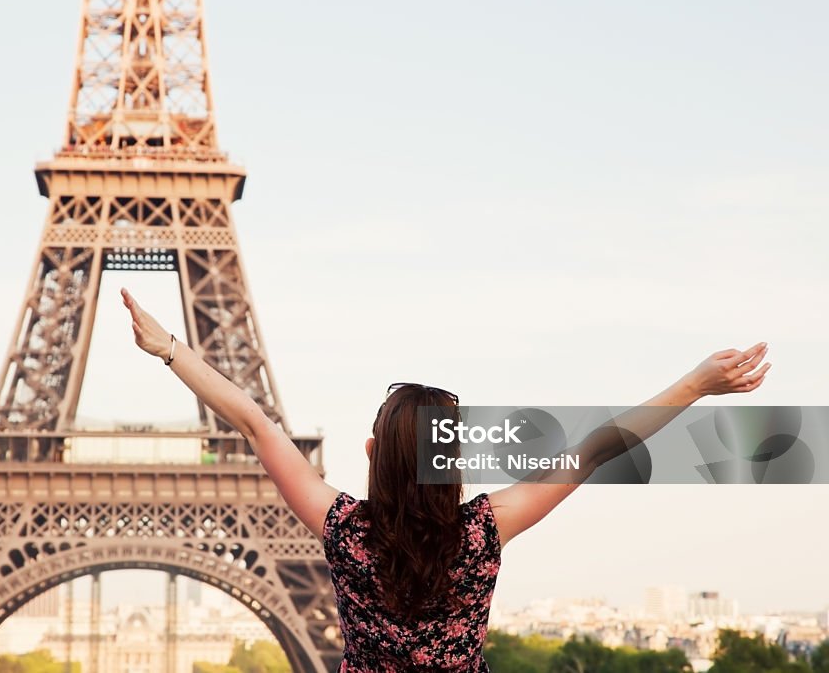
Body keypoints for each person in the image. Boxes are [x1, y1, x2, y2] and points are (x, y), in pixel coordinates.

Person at [120, 287, 771, 672]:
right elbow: (598, 448)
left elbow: (256, 424)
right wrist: (698, 383)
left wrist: (170, 348)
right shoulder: (486, 529)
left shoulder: (343, 529)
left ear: (373, 451)